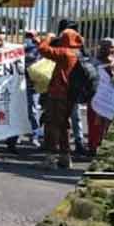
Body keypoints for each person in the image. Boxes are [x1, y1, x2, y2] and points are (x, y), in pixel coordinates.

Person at [36, 27, 85, 170]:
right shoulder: (78, 53)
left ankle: (50, 159)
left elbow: (43, 49)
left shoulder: (65, 53)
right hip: (69, 95)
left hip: (58, 95)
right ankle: (65, 157)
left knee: (52, 125)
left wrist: (49, 37)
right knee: (63, 126)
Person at [54, 19, 88, 155]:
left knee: (74, 116)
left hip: (71, 86)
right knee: (60, 117)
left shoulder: (78, 44)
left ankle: (77, 143)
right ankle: (58, 143)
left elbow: (85, 60)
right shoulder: (58, 43)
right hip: (60, 84)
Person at [87, 38, 114, 154]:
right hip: (98, 98)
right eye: (112, 47)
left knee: (102, 124)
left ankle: (97, 146)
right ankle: (94, 146)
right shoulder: (99, 63)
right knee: (96, 124)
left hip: (108, 98)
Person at [23, 29, 43, 148]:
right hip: (20, 84)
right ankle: (17, 136)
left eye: (31, 36)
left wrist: (39, 43)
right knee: (19, 110)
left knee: (33, 110)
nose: (29, 38)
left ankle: (35, 135)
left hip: (33, 84)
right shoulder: (21, 49)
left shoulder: (40, 49)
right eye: (27, 35)